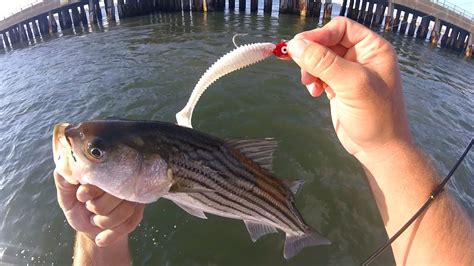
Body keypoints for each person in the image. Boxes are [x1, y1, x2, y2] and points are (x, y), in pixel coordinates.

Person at [54, 17, 473, 265]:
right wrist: (386, 144)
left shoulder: (165, 177)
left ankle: (299, 232)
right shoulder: (161, 178)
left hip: (250, 198)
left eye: (96, 152)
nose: (84, 151)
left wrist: (99, 246)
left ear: (160, 170)